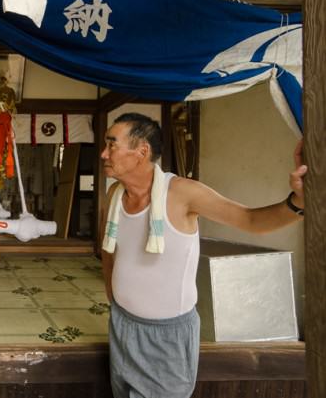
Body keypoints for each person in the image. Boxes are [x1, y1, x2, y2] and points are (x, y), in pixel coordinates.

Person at [99, 112, 306, 398]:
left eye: (112, 145)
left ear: (141, 151)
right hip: (122, 324)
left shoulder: (184, 193)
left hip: (167, 336)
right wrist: (112, 292)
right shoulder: (114, 197)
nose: (103, 153)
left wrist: (298, 203)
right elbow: (110, 249)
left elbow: (251, 221)